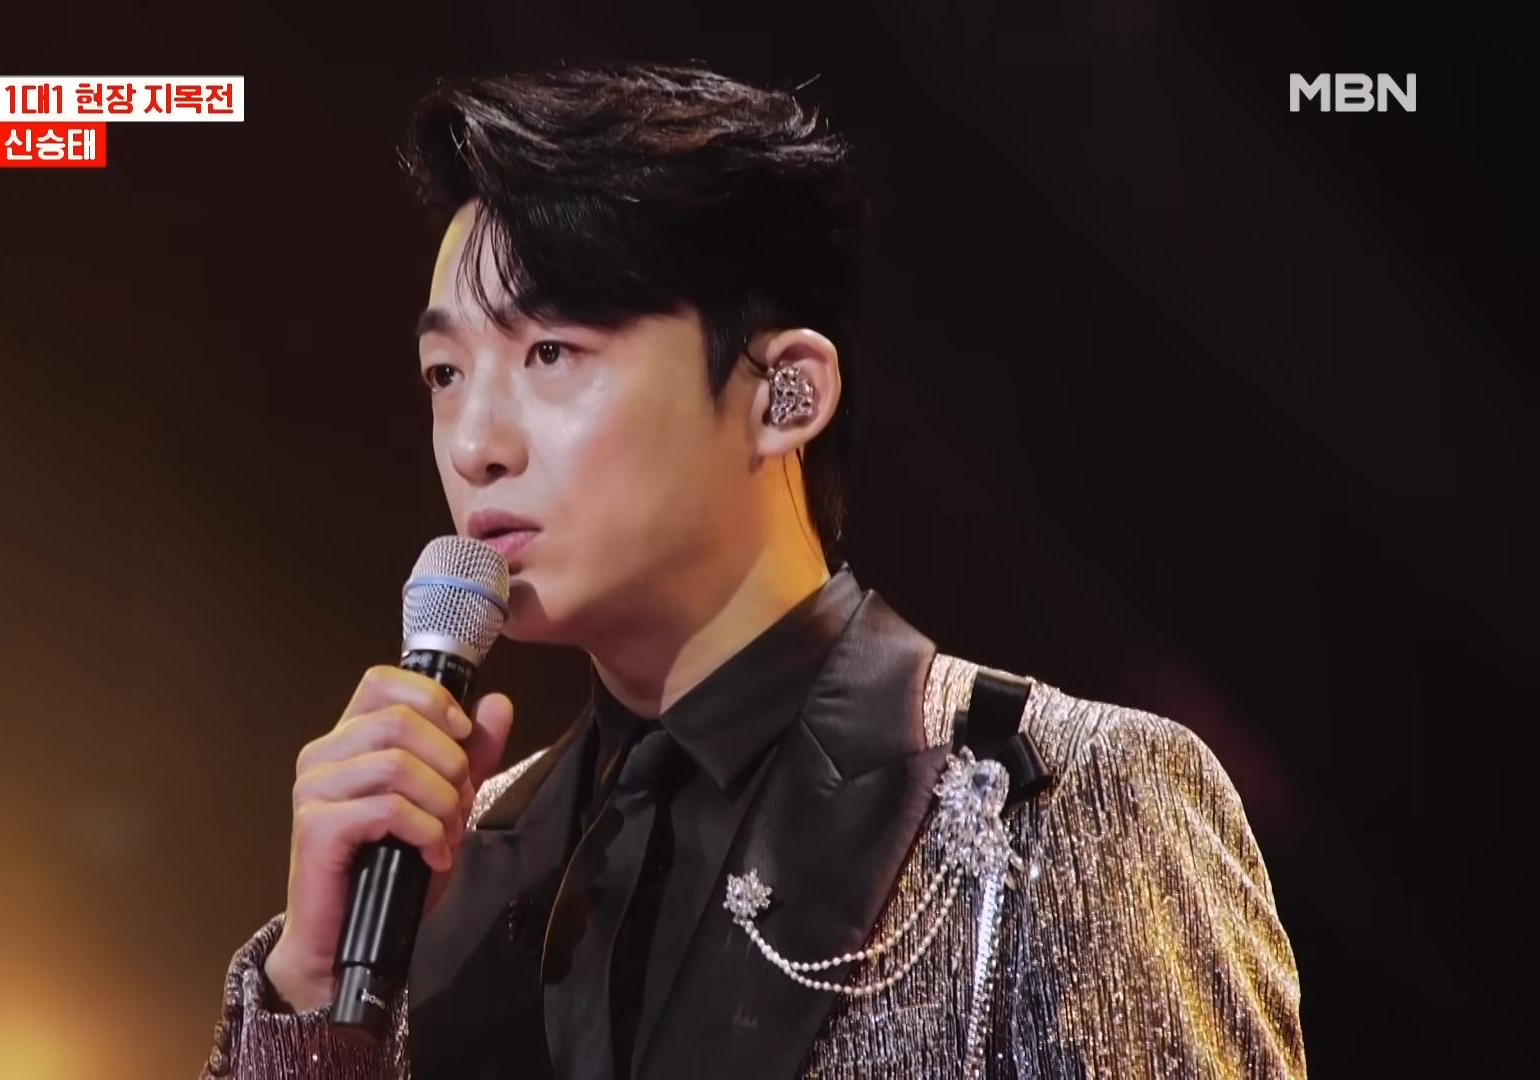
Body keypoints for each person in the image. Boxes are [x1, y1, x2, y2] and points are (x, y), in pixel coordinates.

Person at [199, 63, 1305, 1080]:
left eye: (551, 352)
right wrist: (312, 994)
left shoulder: (1062, 800)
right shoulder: (433, 861)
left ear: (785, 395)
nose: (476, 441)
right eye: (444, 372)